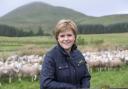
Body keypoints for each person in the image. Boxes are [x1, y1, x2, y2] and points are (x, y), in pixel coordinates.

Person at [40, 19, 91, 89]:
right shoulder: (50, 57)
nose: (66, 39)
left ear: (74, 37)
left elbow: (85, 76)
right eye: (62, 36)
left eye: (69, 35)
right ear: (57, 38)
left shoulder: (78, 54)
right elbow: (46, 83)